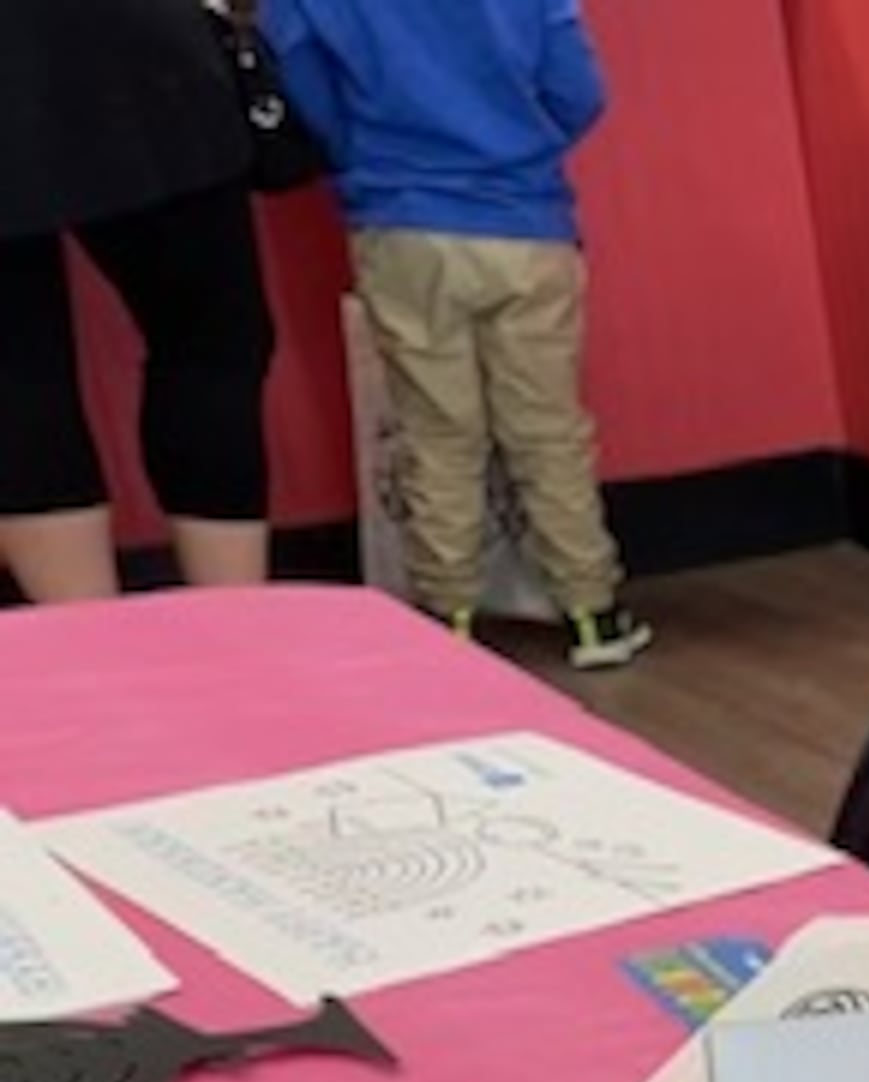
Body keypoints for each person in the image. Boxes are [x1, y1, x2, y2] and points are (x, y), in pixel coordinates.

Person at [258, 0, 650, 666]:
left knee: (436, 430)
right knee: (548, 427)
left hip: (399, 220)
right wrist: (519, 146)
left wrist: (365, 158)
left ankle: (448, 616)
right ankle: (593, 613)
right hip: (526, 220)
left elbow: (304, 84)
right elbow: (579, 90)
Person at [0, 0, 281, 605]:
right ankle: (238, 618)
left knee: (18, 366)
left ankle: (92, 644)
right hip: (138, 50)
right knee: (212, 337)